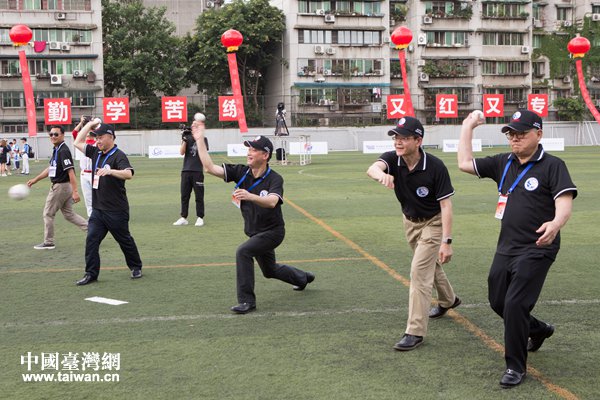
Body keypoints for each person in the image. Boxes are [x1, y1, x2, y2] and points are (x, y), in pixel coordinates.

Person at [457, 109, 577, 388]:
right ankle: (539, 329)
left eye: (521, 133)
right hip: (506, 247)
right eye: (511, 133)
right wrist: (467, 126)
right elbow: (464, 163)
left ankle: (515, 366)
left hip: (538, 247)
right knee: (498, 301)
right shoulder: (503, 162)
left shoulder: (553, 165)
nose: (514, 138)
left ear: (539, 134)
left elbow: (565, 202)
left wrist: (556, 224)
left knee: (515, 304)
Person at [191, 123, 315, 314]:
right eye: (248, 148)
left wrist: (250, 196)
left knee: (243, 252)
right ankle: (302, 278)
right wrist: (199, 140)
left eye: (254, 150)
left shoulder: (275, 178)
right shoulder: (241, 172)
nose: (249, 152)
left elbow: (273, 201)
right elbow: (209, 168)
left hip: (273, 232)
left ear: (265, 156)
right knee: (269, 271)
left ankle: (247, 301)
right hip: (255, 232)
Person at [366, 116, 460, 351]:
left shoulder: (435, 166)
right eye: (395, 137)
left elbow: (446, 206)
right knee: (430, 266)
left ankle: (414, 331)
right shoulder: (392, 159)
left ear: (418, 140)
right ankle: (449, 300)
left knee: (419, 272)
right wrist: (382, 176)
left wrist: (446, 241)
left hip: (434, 223)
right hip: (409, 222)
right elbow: (372, 168)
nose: (397, 142)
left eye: (403, 138)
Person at [72, 121, 143, 285]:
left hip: (116, 210)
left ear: (110, 137)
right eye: (96, 137)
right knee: (91, 240)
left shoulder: (119, 155)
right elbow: (77, 142)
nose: (97, 141)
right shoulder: (96, 152)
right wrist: (89, 125)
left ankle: (135, 266)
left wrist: (110, 171)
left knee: (124, 240)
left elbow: (128, 174)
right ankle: (91, 274)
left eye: (100, 137)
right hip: (98, 211)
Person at [26, 126, 88, 250]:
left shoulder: (63, 150)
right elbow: (50, 168)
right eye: (51, 134)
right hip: (63, 187)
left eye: (56, 134)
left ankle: (48, 242)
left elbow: (71, 172)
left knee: (48, 213)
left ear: (63, 135)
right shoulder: (57, 149)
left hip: (61, 187)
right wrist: (35, 179)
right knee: (68, 214)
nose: (53, 136)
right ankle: (92, 230)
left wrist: (75, 192)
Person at [172, 126, 209, 227]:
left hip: (197, 171)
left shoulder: (203, 139)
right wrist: (184, 140)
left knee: (199, 196)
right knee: (184, 195)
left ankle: (200, 217)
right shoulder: (186, 138)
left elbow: (204, 152)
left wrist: (198, 138)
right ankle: (183, 217)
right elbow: (181, 152)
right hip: (186, 171)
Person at [72, 115, 97, 217]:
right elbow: (74, 133)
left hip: (95, 174)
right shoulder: (81, 143)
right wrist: (81, 123)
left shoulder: (97, 143)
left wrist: (92, 124)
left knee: (98, 198)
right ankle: (92, 220)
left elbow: (95, 131)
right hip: (84, 174)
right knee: (88, 200)